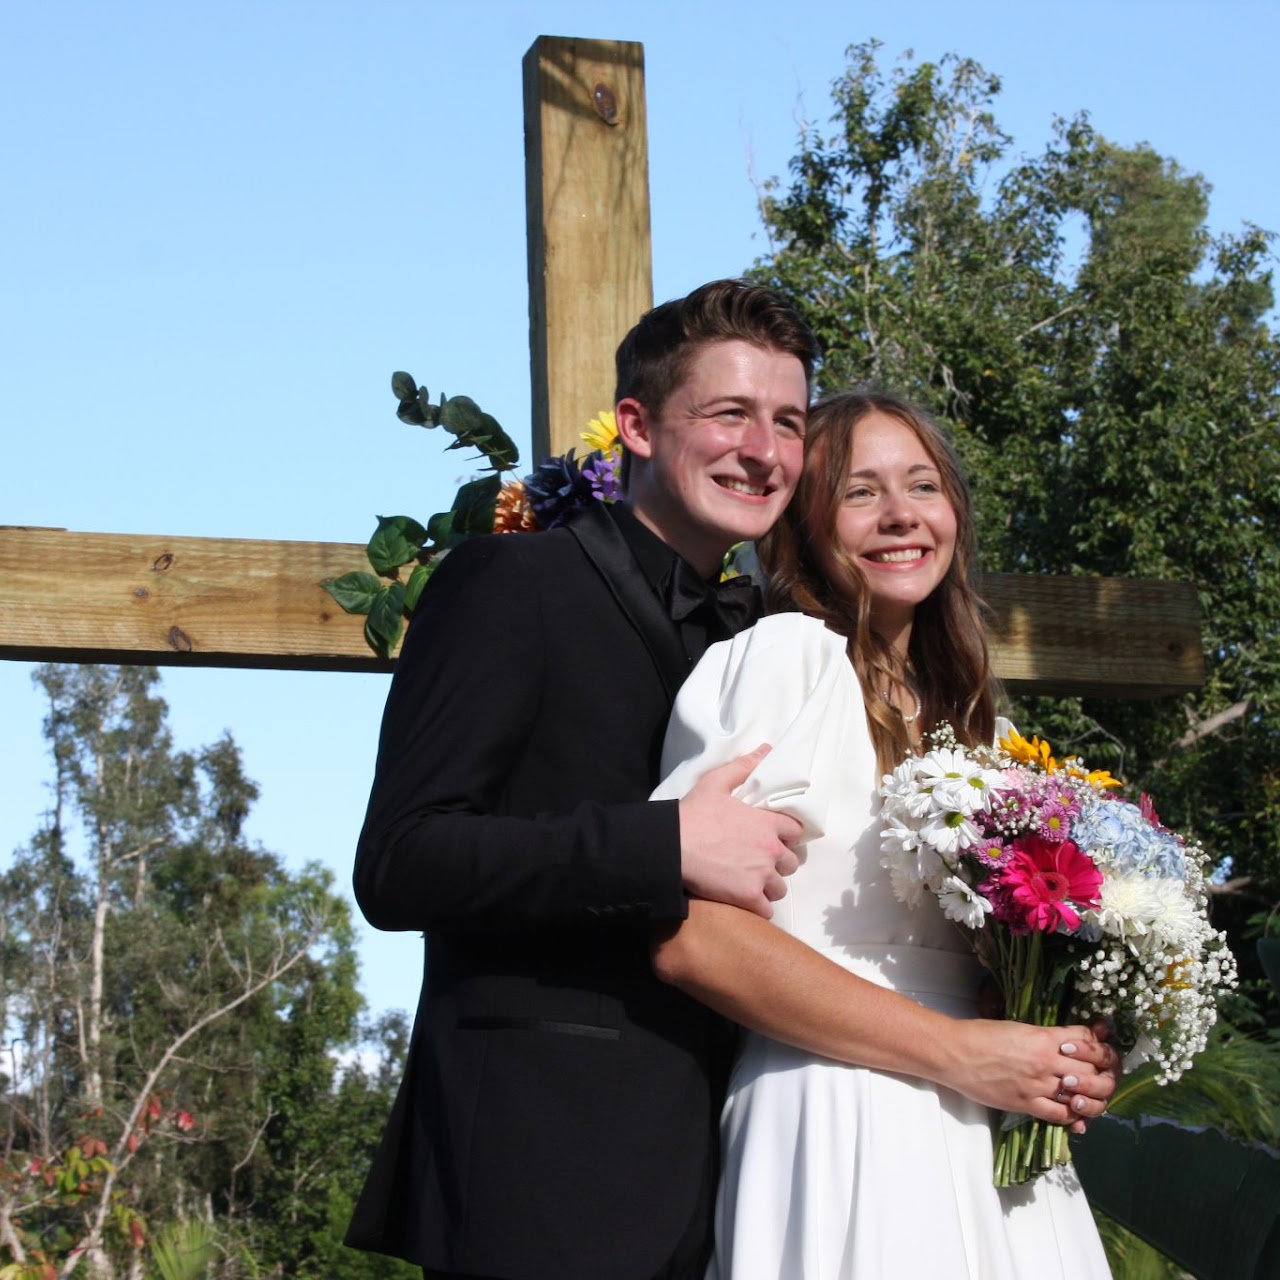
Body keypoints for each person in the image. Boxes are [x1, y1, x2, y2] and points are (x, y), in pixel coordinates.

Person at [345, 279, 820, 1280]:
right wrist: (664, 843)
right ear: (638, 427)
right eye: (729, 413)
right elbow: (400, 859)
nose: (763, 449)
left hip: (747, 1172)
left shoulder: (776, 639)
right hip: (542, 1173)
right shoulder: (509, 584)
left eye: (787, 422)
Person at [651, 391, 1115, 1279]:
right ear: (805, 526)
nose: (902, 514)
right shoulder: (786, 660)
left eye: (922, 486)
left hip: (997, 1141)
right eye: (861, 493)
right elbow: (693, 937)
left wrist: (1066, 1044)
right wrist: (959, 1053)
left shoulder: (982, 730)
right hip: (837, 1109)